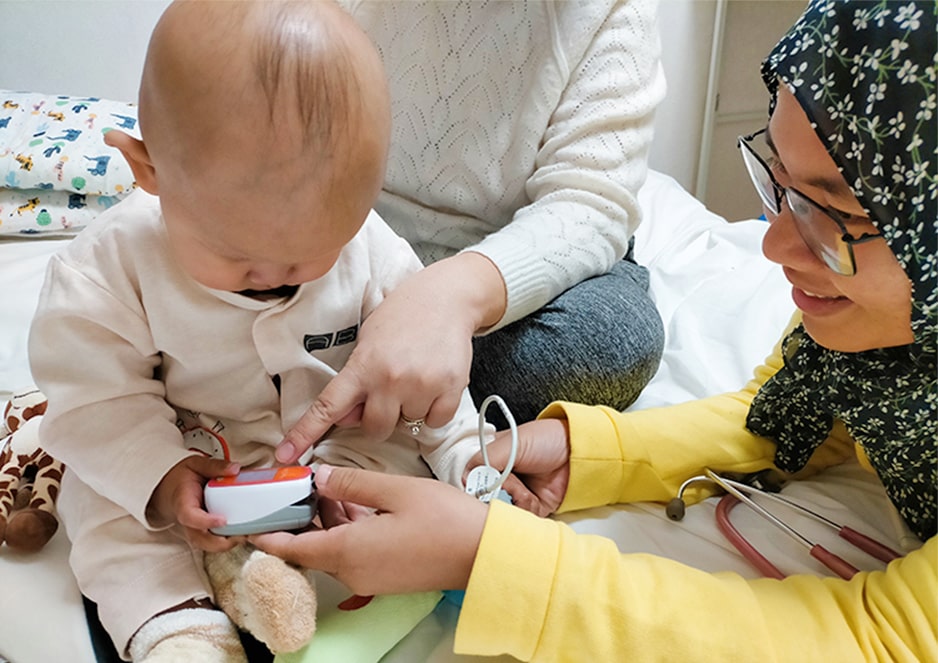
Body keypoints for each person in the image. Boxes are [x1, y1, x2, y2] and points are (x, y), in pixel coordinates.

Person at [252, 1, 937, 660]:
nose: (772, 244)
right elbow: (784, 416)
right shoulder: (872, 342)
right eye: (779, 187)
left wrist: (490, 559)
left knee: (611, 335)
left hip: (509, 275)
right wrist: (585, 450)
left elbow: (881, 641)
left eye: (826, 217)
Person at [28, 2, 492, 661]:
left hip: (333, 461)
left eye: (312, 253)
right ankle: (177, 624)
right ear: (149, 171)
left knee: (412, 472)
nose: (274, 276)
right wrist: (164, 474)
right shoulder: (104, 273)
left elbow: (420, 372)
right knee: (99, 501)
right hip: (186, 459)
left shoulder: (372, 248)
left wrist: (468, 457)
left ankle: (342, 592)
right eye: (240, 256)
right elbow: (96, 403)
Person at [274, 0, 666, 457]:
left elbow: (590, 202)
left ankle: (368, 370)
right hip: (350, 239)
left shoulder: (612, 9)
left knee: (609, 342)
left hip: (509, 259)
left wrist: (449, 298)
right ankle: (389, 374)